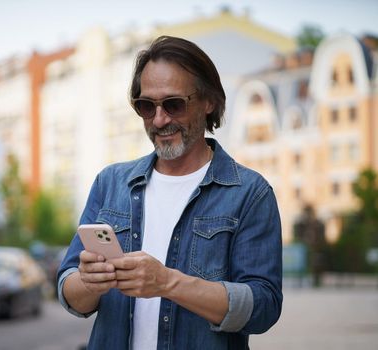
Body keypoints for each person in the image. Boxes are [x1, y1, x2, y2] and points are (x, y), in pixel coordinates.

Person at [57, 35, 282, 350]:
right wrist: (89, 283)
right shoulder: (110, 182)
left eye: (173, 104)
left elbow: (264, 307)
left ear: (209, 101)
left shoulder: (250, 193)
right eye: (147, 106)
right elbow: (70, 293)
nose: (159, 119)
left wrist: (167, 283)